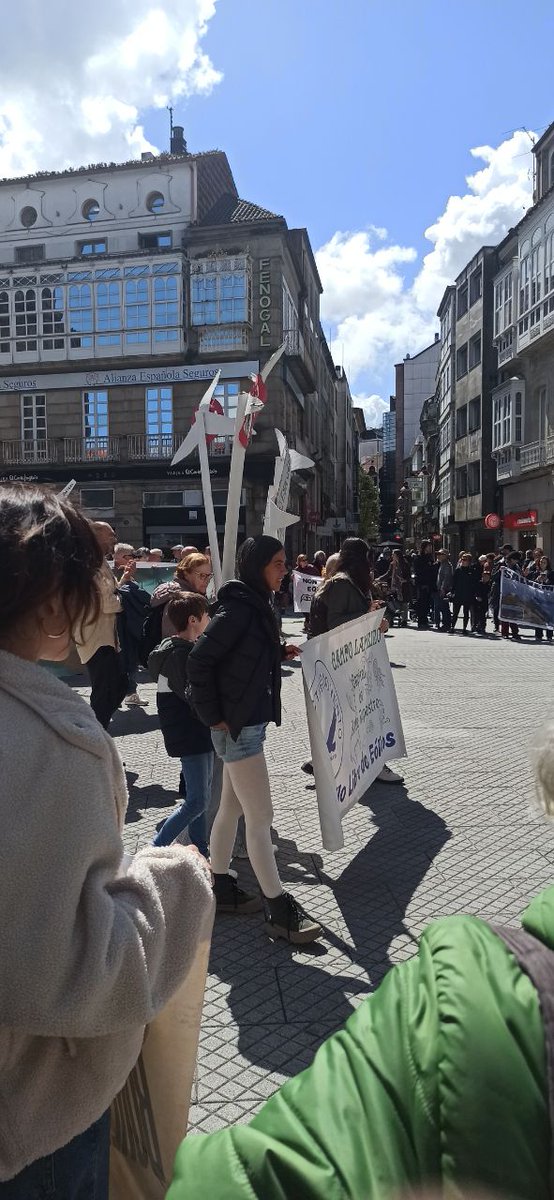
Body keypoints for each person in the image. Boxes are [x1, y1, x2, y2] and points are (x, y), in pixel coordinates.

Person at [165, 718, 554, 1200]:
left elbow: (253, 1176)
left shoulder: (469, 990)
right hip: (241, 736)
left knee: (235, 812)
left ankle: (233, 886)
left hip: (240, 734)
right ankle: (272, 901)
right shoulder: (470, 997)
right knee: (250, 817)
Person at [0, 484, 214, 1198]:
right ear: (51, 597)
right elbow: (68, 970)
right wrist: (176, 882)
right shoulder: (50, 743)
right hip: (29, 1121)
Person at [188, 535, 322, 944]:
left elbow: (238, 658)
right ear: (257, 566)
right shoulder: (240, 610)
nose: (285, 571)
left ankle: (221, 884)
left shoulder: (254, 605)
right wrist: (214, 717)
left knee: (230, 810)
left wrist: (278, 653)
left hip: (245, 724)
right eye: (278, 564)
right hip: (239, 729)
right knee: (260, 818)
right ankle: (278, 907)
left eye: (284, 563)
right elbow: (199, 661)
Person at [305, 538, 403, 785]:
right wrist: (368, 615)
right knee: (357, 715)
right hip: (343, 662)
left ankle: (338, 762)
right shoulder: (342, 583)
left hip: (352, 660)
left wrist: (376, 621)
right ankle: (369, 762)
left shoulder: (351, 583)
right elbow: (336, 622)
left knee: (358, 715)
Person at [148, 593, 214, 855]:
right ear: (193, 620)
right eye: (207, 615)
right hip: (190, 733)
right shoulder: (178, 655)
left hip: (196, 731)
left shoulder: (182, 650)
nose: (209, 620)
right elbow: (192, 697)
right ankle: (155, 848)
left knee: (201, 798)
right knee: (197, 801)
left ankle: (200, 850)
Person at [74, 520, 128, 728]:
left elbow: (109, 592)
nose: (114, 538)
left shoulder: (99, 561)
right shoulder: (90, 563)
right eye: (110, 534)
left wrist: (122, 583)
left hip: (107, 637)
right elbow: (106, 603)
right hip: (95, 637)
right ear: (96, 535)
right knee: (105, 690)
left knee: (118, 685)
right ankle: (95, 733)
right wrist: (125, 602)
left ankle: (97, 730)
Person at [113, 542, 149, 706]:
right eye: (130, 556)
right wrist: (126, 578)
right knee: (124, 661)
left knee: (129, 660)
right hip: (118, 627)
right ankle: (124, 693)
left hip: (126, 626)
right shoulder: (109, 572)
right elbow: (114, 597)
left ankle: (129, 693)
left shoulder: (124, 572)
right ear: (120, 556)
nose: (133, 560)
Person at [151, 551, 212, 637]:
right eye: (202, 575)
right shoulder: (182, 599)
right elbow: (173, 635)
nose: (207, 580)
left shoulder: (169, 592)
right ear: (186, 573)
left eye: (209, 576)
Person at [380, 548, 412, 628]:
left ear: (397, 556)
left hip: (403, 586)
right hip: (394, 586)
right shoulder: (392, 564)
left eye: (393, 555)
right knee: (393, 601)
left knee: (404, 603)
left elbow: (409, 575)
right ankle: (393, 617)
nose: (392, 556)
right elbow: (388, 574)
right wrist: (379, 578)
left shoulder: (404, 564)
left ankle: (404, 620)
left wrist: (405, 580)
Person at [449, 552, 476, 635]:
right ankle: (452, 627)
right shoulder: (458, 570)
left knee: (466, 612)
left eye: (465, 560)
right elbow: (454, 582)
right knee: (455, 612)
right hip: (458, 594)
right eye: (462, 559)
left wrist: (474, 593)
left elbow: (474, 583)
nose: (463, 561)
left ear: (469, 561)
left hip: (468, 594)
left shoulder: (472, 571)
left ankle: (464, 628)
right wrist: (452, 592)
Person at [413, 540, 436, 630]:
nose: (430, 548)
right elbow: (418, 571)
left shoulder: (430, 557)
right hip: (421, 584)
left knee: (427, 604)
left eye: (431, 547)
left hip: (429, 583)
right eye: (428, 547)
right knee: (421, 603)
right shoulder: (419, 558)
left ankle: (425, 620)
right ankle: (421, 621)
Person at [533, 555, 554, 642]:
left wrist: (546, 580)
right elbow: (529, 583)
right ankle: (538, 635)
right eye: (541, 562)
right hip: (538, 598)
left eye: (544, 562)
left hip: (548, 598)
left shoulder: (551, 573)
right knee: (538, 616)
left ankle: (549, 635)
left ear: (547, 564)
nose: (542, 564)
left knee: (549, 617)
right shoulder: (535, 573)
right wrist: (537, 580)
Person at [434, 548, 453, 631]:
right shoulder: (441, 564)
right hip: (440, 589)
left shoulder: (447, 565)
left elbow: (446, 578)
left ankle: (447, 624)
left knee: (444, 607)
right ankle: (444, 623)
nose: (438, 556)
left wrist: (443, 588)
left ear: (445, 556)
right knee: (440, 607)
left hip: (444, 590)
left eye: (440, 554)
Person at [473, 555, 492, 635]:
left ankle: (483, 628)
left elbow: (490, 593)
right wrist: (477, 596)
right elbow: (476, 591)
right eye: (484, 576)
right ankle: (476, 626)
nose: (485, 577)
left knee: (483, 616)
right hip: (478, 601)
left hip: (485, 601)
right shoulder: (479, 583)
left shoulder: (489, 585)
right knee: (477, 614)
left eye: (487, 576)